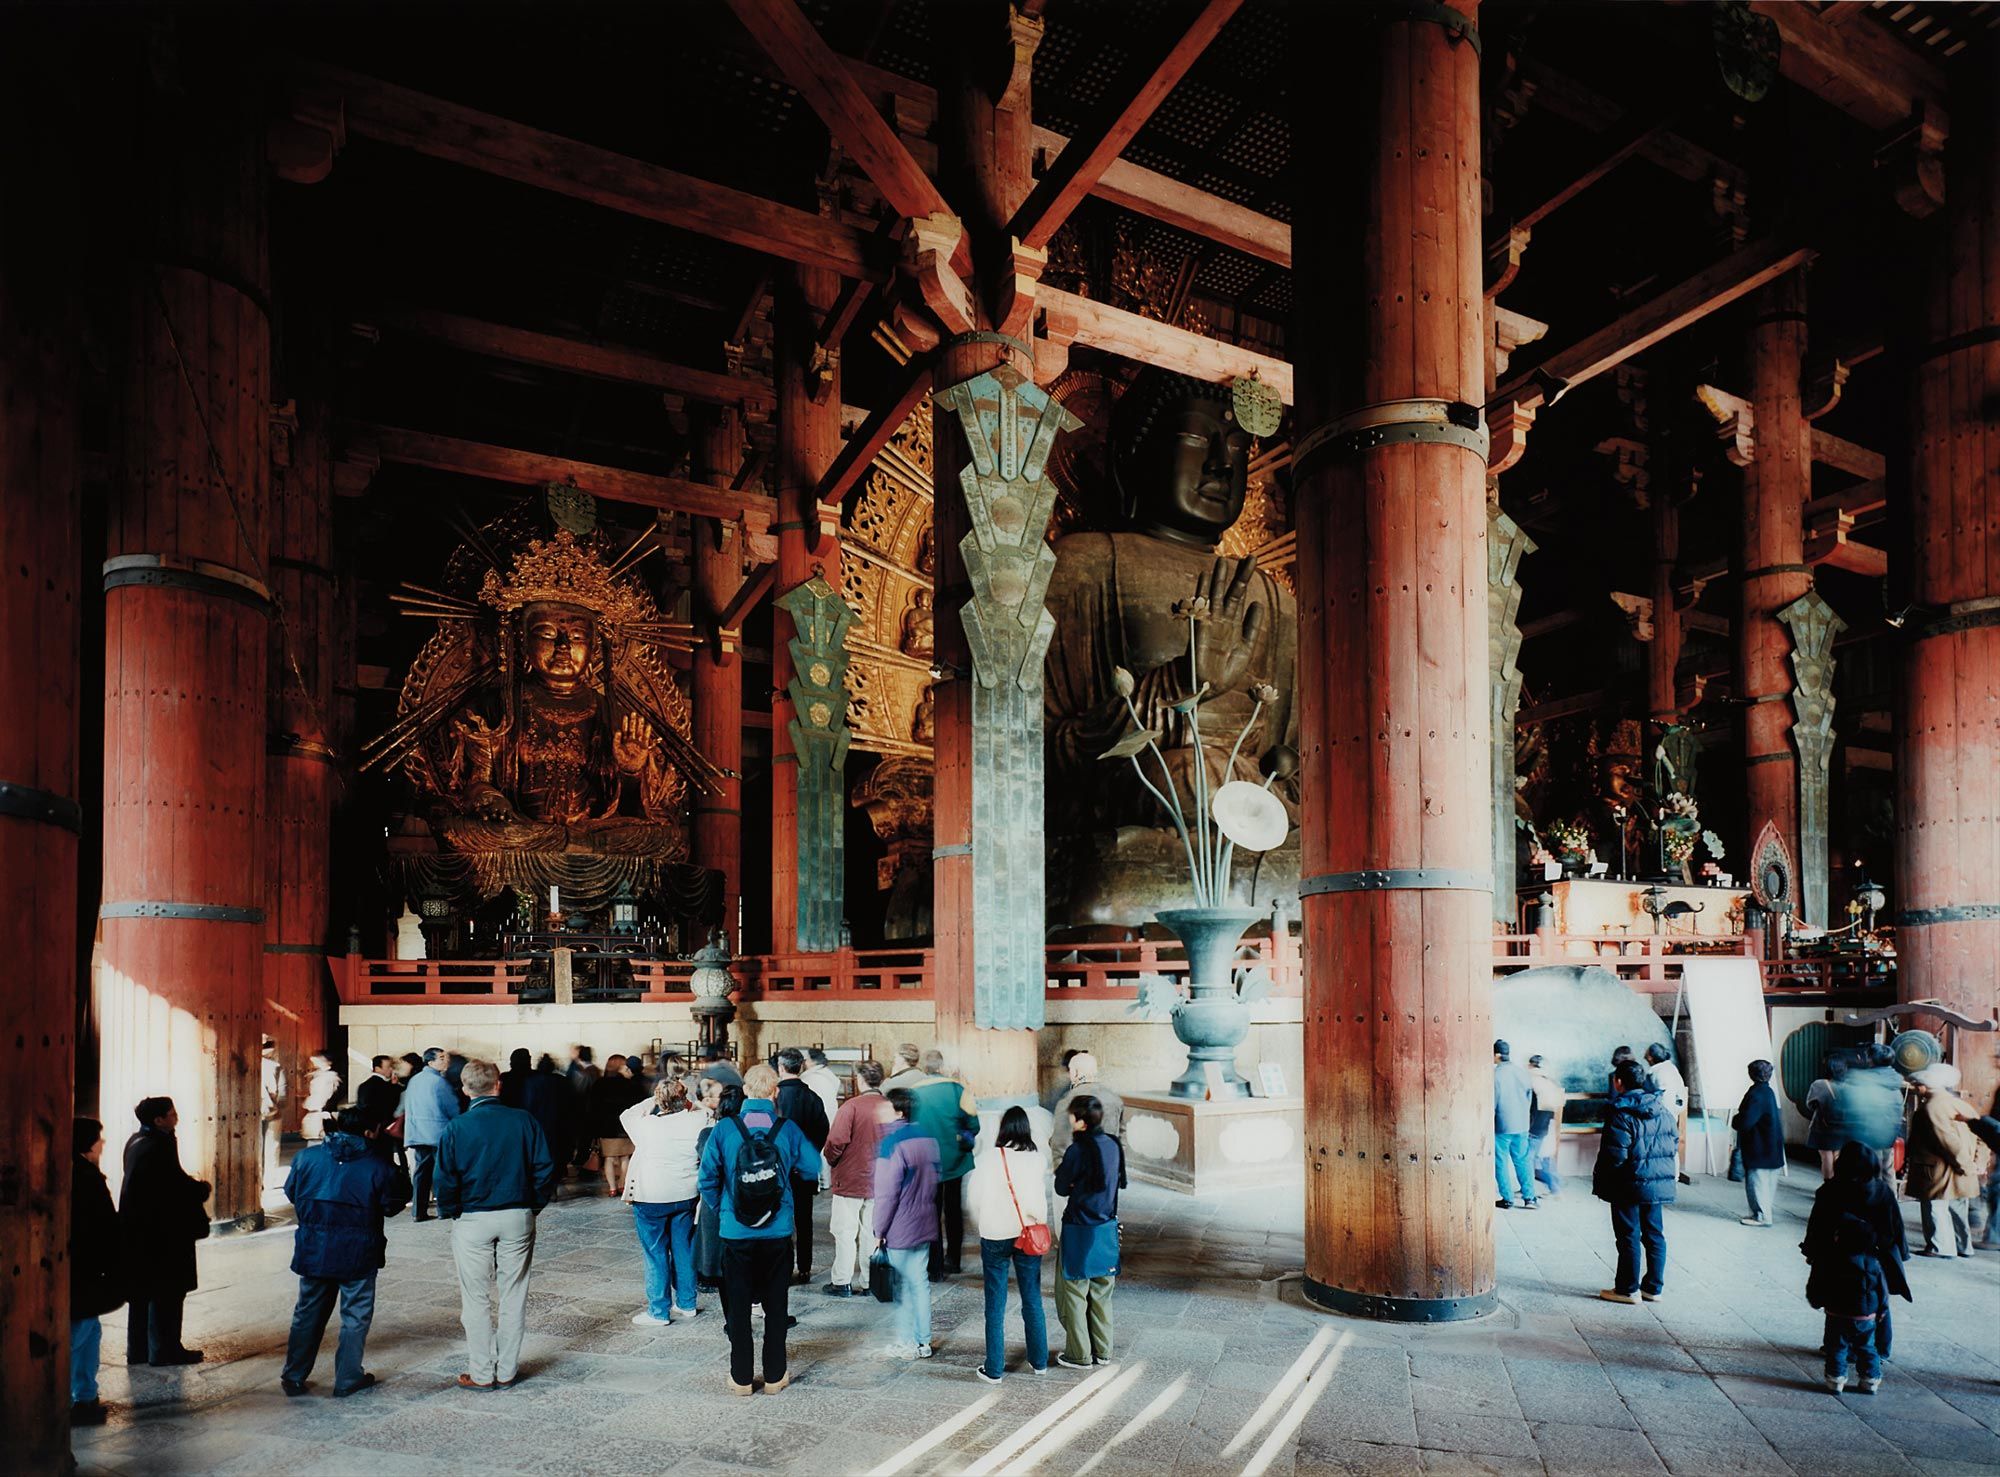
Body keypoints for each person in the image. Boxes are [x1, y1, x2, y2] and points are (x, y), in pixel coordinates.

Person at [698, 1062, 823, 1395]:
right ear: (775, 1092)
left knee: (737, 1307)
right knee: (776, 1304)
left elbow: (706, 1179)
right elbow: (813, 1168)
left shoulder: (724, 1130)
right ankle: (774, 1375)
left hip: (735, 1233)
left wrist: (724, 1208)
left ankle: (740, 1378)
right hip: (777, 1232)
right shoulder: (788, 1129)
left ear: (745, 1092)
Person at [436, 1057, 558, 1390]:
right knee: (514, 1294)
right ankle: (506, 1371)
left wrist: (452, 1210)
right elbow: (545, 1168)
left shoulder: (456, 1127)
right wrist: (532, 1205)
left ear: (464, 1090)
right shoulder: (523, 1121)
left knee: (474, 1299)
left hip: (473, 1217)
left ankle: (481, 1373)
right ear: (498, 1084)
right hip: (517, 1215)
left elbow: (444, 1178)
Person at [280, 1105, 409, 1398]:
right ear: (371, 1131)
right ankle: (348, 1378)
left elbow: (292, 1192)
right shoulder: (378, 1165)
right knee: (355, 1315)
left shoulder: (306, 1157)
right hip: (358, 1250)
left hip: (314, 1246)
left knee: (307, 1312)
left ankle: (294, 1375)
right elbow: (392, 1206)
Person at [120, 1096, 210, 1365]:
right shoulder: (156, 1147)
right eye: (171, 1114)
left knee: (142, 1293)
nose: (176, 1117)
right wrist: (200, 1189)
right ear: (158, 1120)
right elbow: (169, 1189)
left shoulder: (138, 1142)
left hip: (140, 1231)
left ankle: (139, 1350)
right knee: (168, 1292)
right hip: (161, 1233)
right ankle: (165, 1350)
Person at [1803, 1143, 1912, 1365]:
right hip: (1875, 1256)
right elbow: (1895, 1227)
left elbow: (1818, 1226)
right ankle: (1880, 1347)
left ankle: (1837, 1344)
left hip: (1837, 1256)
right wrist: (1900, 1253)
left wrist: (1812, 1251)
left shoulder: (1830, 1190)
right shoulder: (1882, 1191)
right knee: (1876, 1301)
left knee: (1837, 1299)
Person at [965, 1104, 1050, 1382]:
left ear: (1003, 1129)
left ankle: (994, 1368)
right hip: (1028, 1232)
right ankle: (1039, 1361)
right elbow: (1040, 1196)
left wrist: (981, 1222)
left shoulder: (988, 1158)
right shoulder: (1037, 1159)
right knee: (1032, 1297)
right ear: (1026, 1129)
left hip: (995, 1233)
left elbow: (974, 1199)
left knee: (995, 1301)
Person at [621, 1074, 707, 1324]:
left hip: (652, 1196)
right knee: (683, 1248)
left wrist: (657, 1097)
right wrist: (688, 1099)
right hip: (685, 1194)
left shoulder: (646, 1125)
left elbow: (627, 1114)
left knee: (655, 1252)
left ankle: (658, 1311)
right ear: (684, 1099)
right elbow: (705, 1110)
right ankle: (687, 1303)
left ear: (660, 1101)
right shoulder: (698, 1120)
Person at [1593, 1058, 1677, 1304]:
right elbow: (1671, 1143)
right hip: (1656, 1183)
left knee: (1629, 1235)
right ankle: (1653, 1287)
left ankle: (1627, 1289)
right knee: (1654, 1234)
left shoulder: (1621, 1113)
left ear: (1618, 1082)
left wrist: (1605, 1180)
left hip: (1627, 1184)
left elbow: (1615, 1156)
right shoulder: (1663, 1109)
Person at [1054, 1095, 1123, 1368]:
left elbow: (1061, 1187)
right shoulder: (1114, 1145)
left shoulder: (1076, 1151)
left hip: (1078, 1229)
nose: (1070, 1120)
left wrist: (1074, 1186)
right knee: (1103, 1293)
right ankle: (1104, 1352)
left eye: (1072, 1116)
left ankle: (1079, 1354)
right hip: (1106, 1228)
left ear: (1080, 1122)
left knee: (1074, 1294)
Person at [874, 1086, 942, 1360]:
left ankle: (905, 1341)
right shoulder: (929, 1138)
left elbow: (886, 1194)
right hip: (925, 1219)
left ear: (898, 1112)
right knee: (920, 1283)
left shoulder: (891, 1144)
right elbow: (937, 1176)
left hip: (900, 1224)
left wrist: (879, 1229)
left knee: (902, 1288)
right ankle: (923, 1341)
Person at [69, 1117, 123, 1427]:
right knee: (80, 1333)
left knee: (90, 1331)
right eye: (98, 1138)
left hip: (84, 1268)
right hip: (85, 1269)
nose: (102, 1144)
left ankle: (86, 1396)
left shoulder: (79, 1172)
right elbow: (101, 1226)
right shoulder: (86, 1177)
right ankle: (67, 1401)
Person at [823, 1060, 892, 1296]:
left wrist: (832, 1161)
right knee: (872, 1233)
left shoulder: (851, 1107)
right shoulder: (891, 1107)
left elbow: (835, 1142)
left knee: (844, 1231)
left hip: (851, 1178)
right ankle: (870, 1281)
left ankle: (842, 1281)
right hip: (881, 1179)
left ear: (860, 1080)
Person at [911, 1049, 979, 1279]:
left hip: (925, 1161)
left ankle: (935, 1265)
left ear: (925, 1069)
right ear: (942, 1067)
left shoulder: (913, 1092)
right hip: (955, 1161)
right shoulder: (958, 1089)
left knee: (930, 1211)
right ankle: (955, 1259)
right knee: (953, 1211)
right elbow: (974, 1124)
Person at [1906, 1063, 1984, 1257]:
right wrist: (1977, 1163)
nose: (1916, 1089)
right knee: (1958, 1208)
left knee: (1935, 1207)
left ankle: (1940, 1247)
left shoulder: (1931, 1108)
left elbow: (1947, 1141)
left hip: (1939, 1169)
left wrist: (1965, 1165)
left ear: (1926, 1086)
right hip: (1960, 1169)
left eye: (1918, 1085)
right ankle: (1963, 1247)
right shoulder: (1960, 1104)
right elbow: (1983, 1135)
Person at [1808, 1210, 1890, 1394]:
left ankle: (1835, 1379)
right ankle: (1870, 1379)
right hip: (1866, 1315)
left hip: (1836, 1313)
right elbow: (1882, 1290)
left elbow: (1818, 1283)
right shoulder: (1873, 1263)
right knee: (1867, 1346)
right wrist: (1882, 1310)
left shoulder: (1829, 1259)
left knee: (1836, 1346)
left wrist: (1816, 1300)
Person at [773, 1047, 831, 1284]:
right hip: (804, 1169)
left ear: (780, 1067)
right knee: (804, 1219)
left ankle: (782, 1268)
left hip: (780, 1169)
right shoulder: (812, 1098)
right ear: (802, 1066)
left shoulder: (775, 1099)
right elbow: (823, 1131)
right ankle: (805, 1267)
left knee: (781, 1217)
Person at [403, 1046, 461, 1221]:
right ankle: (444, 1210)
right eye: (441, 1058)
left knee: (421, 1173)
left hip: (418, 1133)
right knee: (441, 1172)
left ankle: (418, 1212)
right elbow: (453, 1108)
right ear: (430, 1062)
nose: (445, 1060)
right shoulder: (439, 1082)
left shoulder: (414, 1080)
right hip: (437, 1135)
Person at [694, 1079, 737, 1294]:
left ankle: (708, 1273)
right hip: (737, 1194)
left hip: (715, 1194)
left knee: (709, 1235)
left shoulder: (708, 1134)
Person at [1732, 1059, 1785, 1227]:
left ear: (1752, 1074)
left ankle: (1761, 1216)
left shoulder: (1756, 1094)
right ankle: (1764, 1213)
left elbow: (1746, 1121)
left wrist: (1736, 1120)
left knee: (1757, 1183)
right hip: (1772, 1145)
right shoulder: (1768, 1092)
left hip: (1759, 1146)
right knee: (1767, 1184)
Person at [1049, 1052, 1124, 1163]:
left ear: (1075, 1073)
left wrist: (1062, 1174)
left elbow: (1060, 1145)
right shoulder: (1115, 1098)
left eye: (1070, 1070)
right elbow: (1121, 1136)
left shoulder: (1068, 1101)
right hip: (1109, 1165)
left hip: (1081, 1171)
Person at [589, 1053, 646, 1197]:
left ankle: (612, 1188)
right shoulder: (631, 1085)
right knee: (625, 1157)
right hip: (625, 1127)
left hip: (606, 1128)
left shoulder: (600, 1084)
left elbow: (593, 1107)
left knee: (608, 1158)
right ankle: (622, 1184)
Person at [1492, 1039, 1539, 1211]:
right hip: (1522, 1125)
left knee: (1501, 1162)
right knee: (1523, 1161)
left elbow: (1492, 1103)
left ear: (1497, 1055)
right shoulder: (1522, 1073)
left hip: (1502, 1127)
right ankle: (1530, 1198)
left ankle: (1507, 1199)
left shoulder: (1495, 1075)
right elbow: (1530, 1099)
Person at [1644, 1043, 1691, 1184]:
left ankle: (1660, 1177)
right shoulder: (1671, 1069)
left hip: (1659, 1116)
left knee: (1657, 1149)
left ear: (1651, 1057)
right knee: (1670, 1147)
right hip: (1671, 1115)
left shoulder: (1659, 1072)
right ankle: (1673, 1176)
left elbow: (1660, 1095)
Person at [1526, 1054, 1567, 1198]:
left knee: (1529, 1159)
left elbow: (1530, 1107)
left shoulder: (1533, 1081)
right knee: (1544, 1159)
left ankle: (1532, 1190)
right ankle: (1553, 1186)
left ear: (1532, 1065)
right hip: (1548, 1125)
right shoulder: (1549, 1082)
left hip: (1536, 1128)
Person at [803, 1047, 842, 1191]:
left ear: (812, 1061)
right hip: (831, 1113)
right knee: (826, 1147)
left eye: (806, 1059)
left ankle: (819, 1182)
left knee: (816, 1148)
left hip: (816, 1115)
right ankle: (827, 1180)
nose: (804, 1062)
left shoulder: (808, 1078)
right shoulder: (829, 1074)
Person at [1805, 1056, 1851, 1179]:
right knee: (1837, 1155)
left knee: (1826, 1156)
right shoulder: (1850, 1087)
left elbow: (1810, 1105)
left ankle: (1828, 1185)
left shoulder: (1819, 1084)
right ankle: (1837, 1184)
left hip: (1822, 1127)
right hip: (1844, 1127)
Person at [261, 1036, 288, 1185]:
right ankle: (269, 1180)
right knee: (272, 1146)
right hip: (273, 1110)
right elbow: (282, 1092)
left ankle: (254, 1180)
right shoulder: (275, 1066)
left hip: (253, 1111)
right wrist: (279, 1106)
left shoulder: (249, 1064)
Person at [355, 1056, 403, 1137]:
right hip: (383, 1128)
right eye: (388, 1067)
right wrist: (395, 1087)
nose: (391, 1069)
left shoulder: (364, 1085)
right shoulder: (385, 1086)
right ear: (377, 1069)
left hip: (368, 1127)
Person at [302, 1051, 342, 1142]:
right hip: (315, 1110)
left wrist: (326, 1110)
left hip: (322, 1110)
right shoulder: (317, 1075)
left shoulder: (331, 1076)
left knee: (322, 1140)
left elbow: (329, 1095)